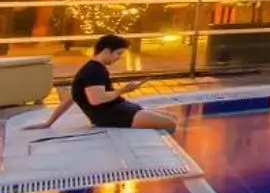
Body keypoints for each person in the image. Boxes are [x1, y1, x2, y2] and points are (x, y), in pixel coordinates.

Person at [30, 35, 176, 132]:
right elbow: (96, 99)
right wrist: (124, 90)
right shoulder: (93, 71)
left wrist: (48, 122)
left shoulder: (93, 68)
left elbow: (70, 98)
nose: (119, 58)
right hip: (111, 115)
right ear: (106, 51)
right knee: (170, 124)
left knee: (172, 117)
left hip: (119, 109)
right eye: (118, 53)